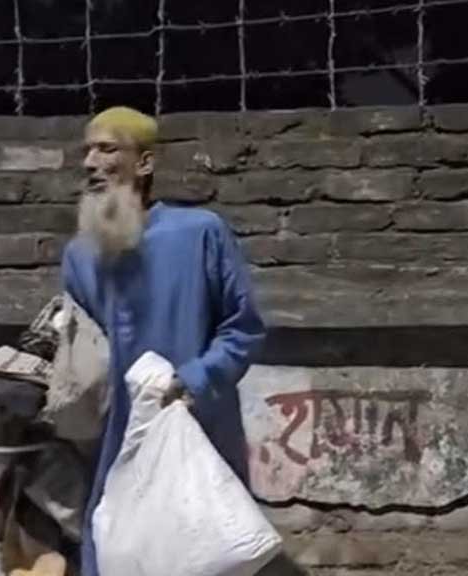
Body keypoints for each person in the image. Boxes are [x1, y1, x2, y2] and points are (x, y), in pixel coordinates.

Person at [61, 106, 266, 575]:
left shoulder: (200, 233)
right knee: (114, 549)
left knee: (204, 553)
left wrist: (191, 381)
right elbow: (77, 348)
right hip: (115, 440)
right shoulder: (80, 254)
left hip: (196, 428)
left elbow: (242, 328)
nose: (90, 163)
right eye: (87, 151)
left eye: (107, 149)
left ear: (145, 163)